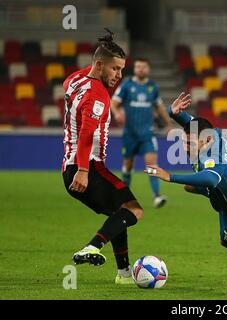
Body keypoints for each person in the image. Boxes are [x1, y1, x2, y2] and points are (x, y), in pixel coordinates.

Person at [145, 93, 227, 268]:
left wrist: (169, 176)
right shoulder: (212, 134)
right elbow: (192, 123)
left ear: (207, 140)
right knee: (191, 186)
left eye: (190, 144)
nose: (186, 148)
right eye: (184, 142)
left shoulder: (212, 161)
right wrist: (173, 113)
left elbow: (210, 178)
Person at [62, 29, 144, 284]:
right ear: (99, 65)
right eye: (115, 69)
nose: (119, 76)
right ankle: (92, 247)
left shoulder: (74, 79)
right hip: (87, 168)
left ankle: (124, 274)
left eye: (121, 70)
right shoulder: (98, 94)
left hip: (69, 167)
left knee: (118, 214)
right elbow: (87, 133)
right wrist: (84, 171)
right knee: (134, 210)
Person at [111, 58, 172, 208]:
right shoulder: (127, 85)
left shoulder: (153, 87)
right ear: (135, 69)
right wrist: (117, 113)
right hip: (130, 134)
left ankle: (157, 196)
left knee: (151, 163)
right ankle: (125, 198)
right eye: (138, 67)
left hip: (147, 134)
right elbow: (114, 102)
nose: (140, 69)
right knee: (128, 166)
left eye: (143, 67)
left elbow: (160, 107)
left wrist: (169, 125)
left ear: (148, 69)